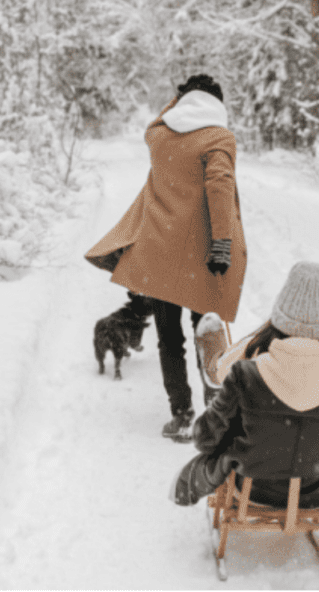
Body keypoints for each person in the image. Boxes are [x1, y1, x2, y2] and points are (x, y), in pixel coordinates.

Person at [84, 74, 247, 441]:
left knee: (168, 339)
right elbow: (220, 187)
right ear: (218, 105)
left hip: (158, 254)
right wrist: (222, 242)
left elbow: (165, 114)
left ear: (182, 101)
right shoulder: (219, 138)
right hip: (202, 257)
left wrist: (178, 100)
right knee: (208, 335)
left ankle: (182, 415)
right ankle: (215, 415)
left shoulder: (158, 135)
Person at [171, 262, 319, 508]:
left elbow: (204, 440)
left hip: (252, 489)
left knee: (227, 431)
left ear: (279, 317)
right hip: (318, 494)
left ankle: (217, 367)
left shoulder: (246, 375)